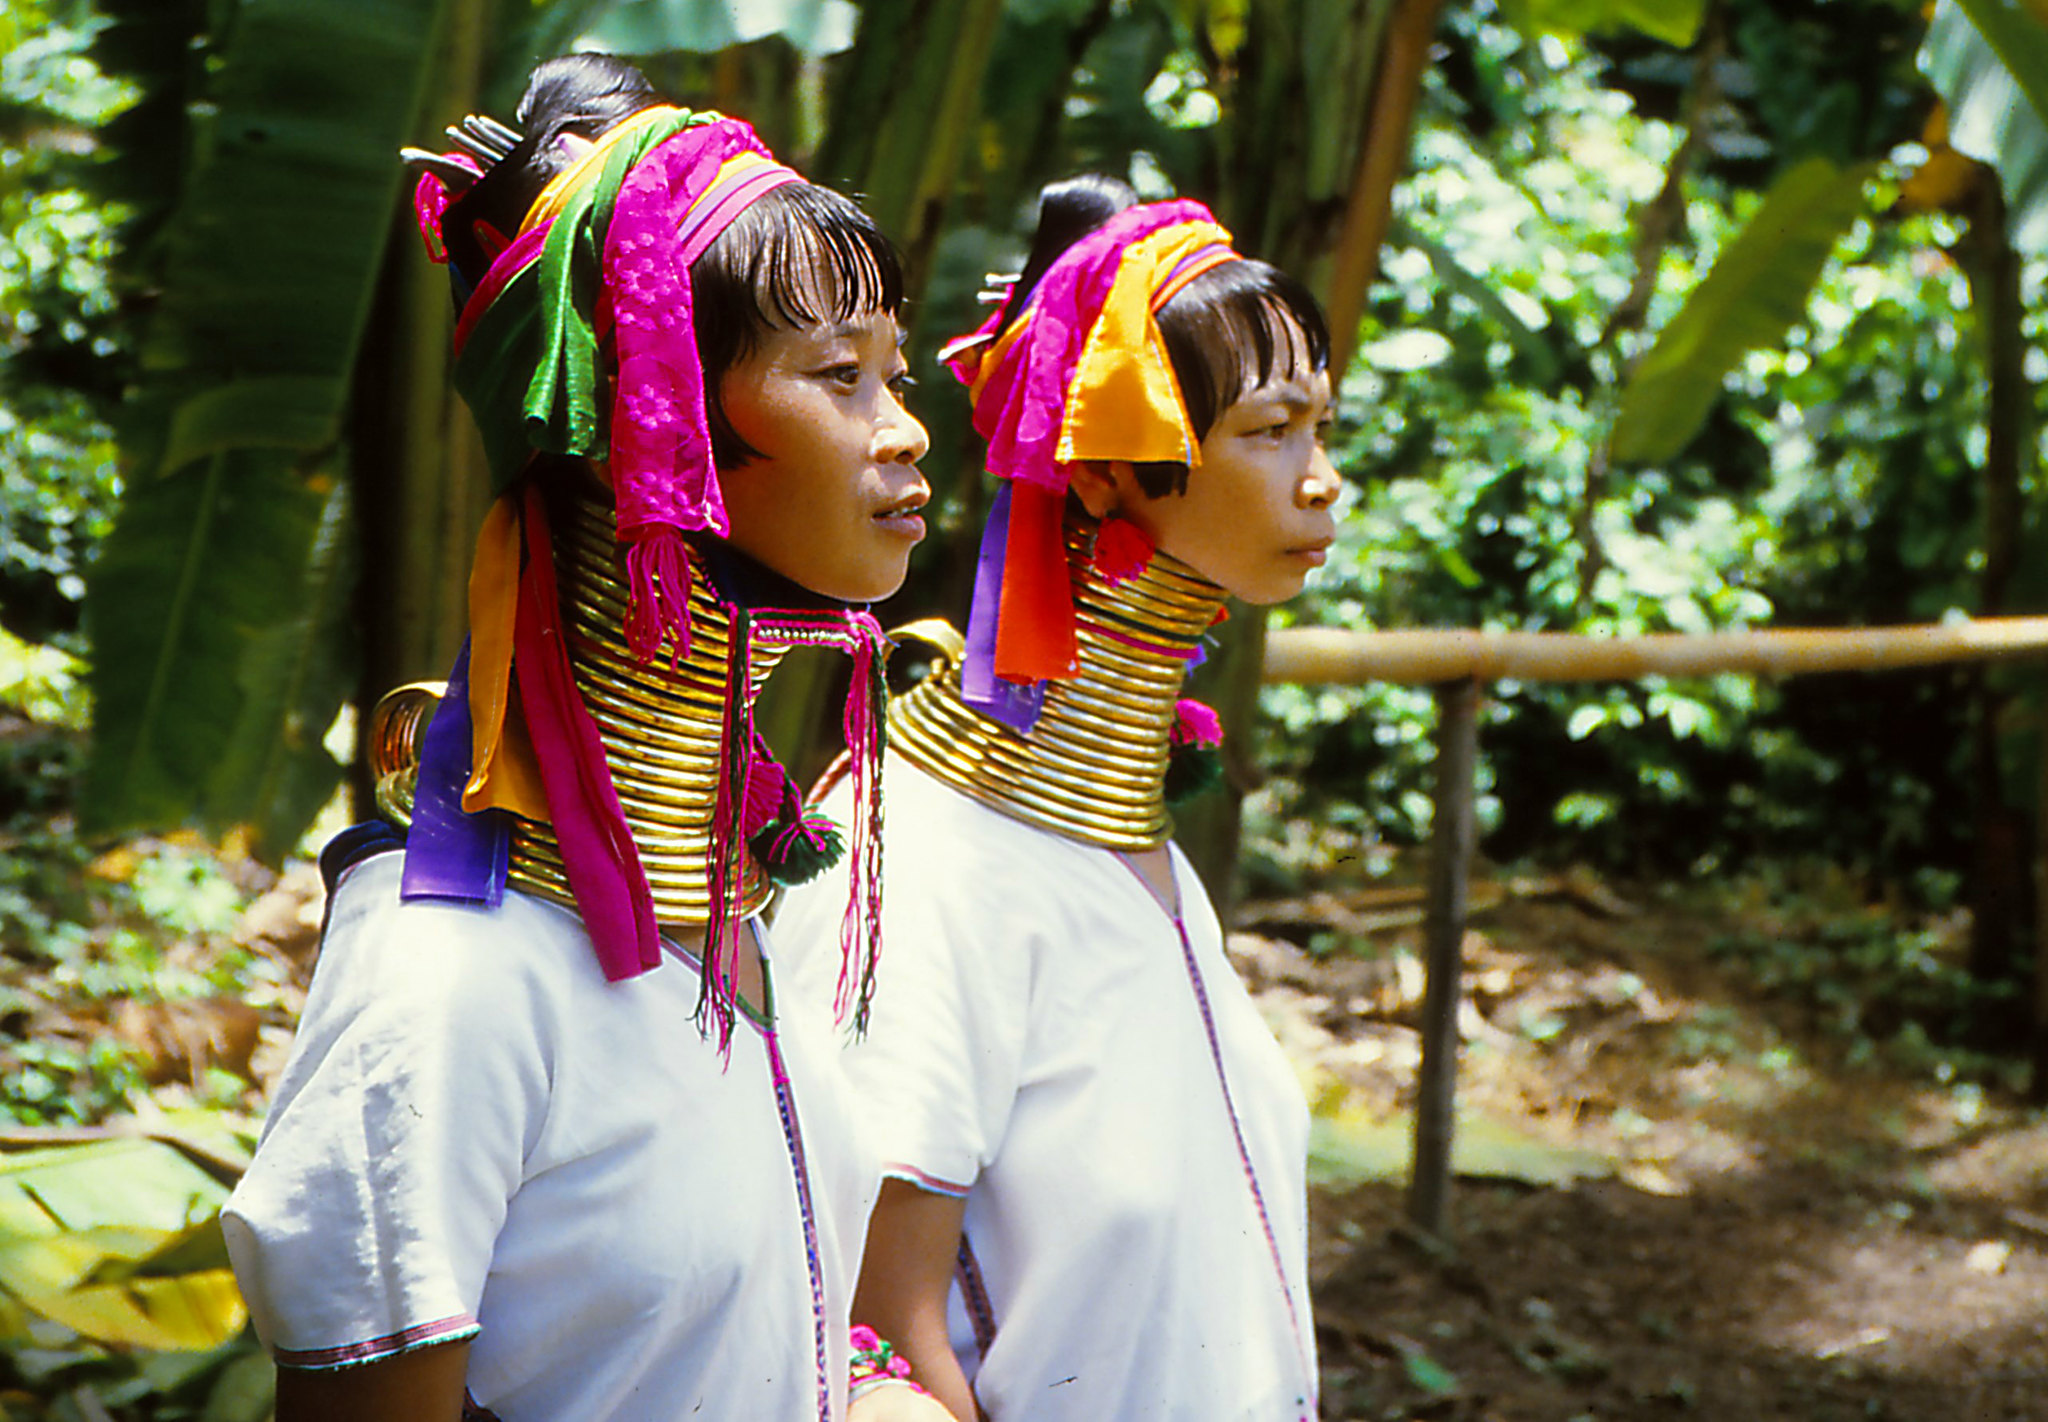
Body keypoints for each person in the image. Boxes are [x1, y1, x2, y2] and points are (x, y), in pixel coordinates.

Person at [221, 55, 956, 1422]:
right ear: (653, 432)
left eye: (896, 373)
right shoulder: (448, 984)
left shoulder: (733, 904)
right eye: (841, 375)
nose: (906, 428)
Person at [774, 175, 1340, 1420]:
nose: (1321, 480)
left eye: (1322, 429)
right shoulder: (919, 866)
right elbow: (872, 1343)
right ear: (1098, 476)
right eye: (1269, 431)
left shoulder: (1135, 850)